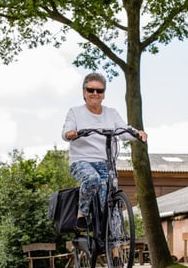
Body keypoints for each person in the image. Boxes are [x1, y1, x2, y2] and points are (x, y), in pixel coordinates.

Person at [62, 72, 147, 236]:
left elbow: (124, 130)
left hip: (106, 163)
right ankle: (82, 215)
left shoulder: (111, 113)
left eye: (99, 91)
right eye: (90, 90)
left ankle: (114, 251)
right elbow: (66, 132)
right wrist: (71, 133)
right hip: (81, 162)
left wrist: (138, 133)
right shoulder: (75, 112)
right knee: (93, 179)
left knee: (110, 203)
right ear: (84, 93)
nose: (95, 94)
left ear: (103, 94)